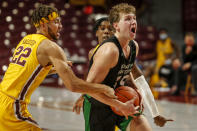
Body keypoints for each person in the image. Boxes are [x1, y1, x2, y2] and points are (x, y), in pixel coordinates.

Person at [0, 4, 135, 131]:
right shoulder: (51, 47)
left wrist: (51, 69)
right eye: (56, 22)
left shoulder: (27, 39)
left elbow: (25, 70)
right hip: (12, 108)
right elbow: (73, 85)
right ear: (43, 24)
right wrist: (103, 88)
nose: (60, 26)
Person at [76, 3, 173, 131]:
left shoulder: (133, 47)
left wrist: (154, 113)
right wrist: (119, 105)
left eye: (134, 18)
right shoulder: (109, 51)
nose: (133, 22)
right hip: (99, 104)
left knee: (142, 126)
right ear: (116, 26)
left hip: (122, 99)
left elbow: (137, 78)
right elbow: (89, 88)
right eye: (127, 19)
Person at [73, 16, 114, 114]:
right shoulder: (92, 53)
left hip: (114, 98)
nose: (106, 31)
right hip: (94, 99)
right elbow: (89, 77)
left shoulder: (120, 51)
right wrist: (83, 96)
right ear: (96, 32)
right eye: (102, 28)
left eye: (110, 29)